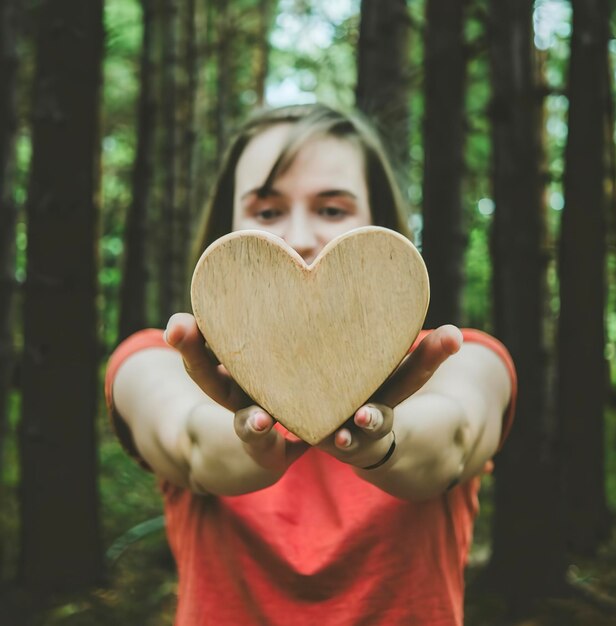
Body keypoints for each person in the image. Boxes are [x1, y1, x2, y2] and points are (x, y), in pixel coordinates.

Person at [105, 103, 517, 626]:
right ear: (226, 228)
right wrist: (254, 430)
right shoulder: (160, 360)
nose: (298, 236)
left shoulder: (462, 358)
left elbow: (452, 441)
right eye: (267, 210)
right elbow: (189, 443)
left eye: (332, 209)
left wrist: (377, 441)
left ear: (380, 228)